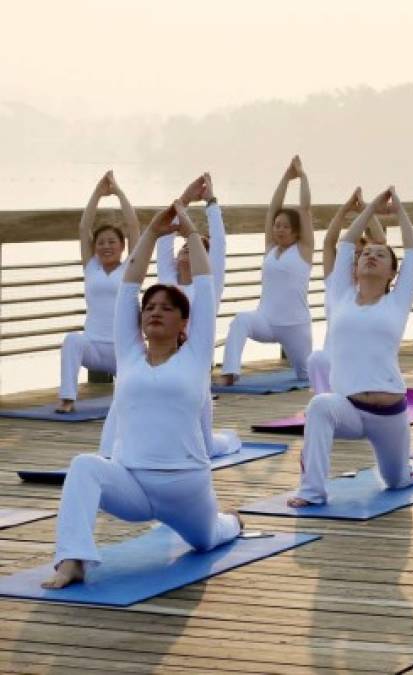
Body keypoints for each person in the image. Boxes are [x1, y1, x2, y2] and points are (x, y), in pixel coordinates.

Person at [43, 201, 242, 589]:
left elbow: (204, 280)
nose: (155, 312)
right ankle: (72, 561)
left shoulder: (196, 354)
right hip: (132, 483)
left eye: (167, 308)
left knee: (211, 538)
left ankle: (232, 521)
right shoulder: (129, 353)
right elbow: (129, 286)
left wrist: (188, 232)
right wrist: (150, 233)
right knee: (84, 466)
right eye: (150, 307)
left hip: (186, 489)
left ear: (185, 322)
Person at [288, 188, 413, 507]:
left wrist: (400, 210)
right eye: (367, 254)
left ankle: (412, 466)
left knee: (396, 482)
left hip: (389, 414)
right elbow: (346, 243)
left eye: (380, 255)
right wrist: (368, 210)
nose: (371, 256)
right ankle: (311, 491)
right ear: (354, 266)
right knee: (321, 405)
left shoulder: (397, 301)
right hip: (349, 409)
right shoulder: (341, 295)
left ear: (393, 272)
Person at [99, 174, 240, 459]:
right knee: (122, 397)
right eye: (184, 248)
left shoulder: (208, 286)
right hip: (152, 363)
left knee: (208, 447)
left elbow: (220, 245)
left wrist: (212, 203)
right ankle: (106, 456)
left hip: (191, 372)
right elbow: (163, 238)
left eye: (193, 248)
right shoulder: (167, 282)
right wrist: (182, 201)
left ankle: (230, 439)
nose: (185, 251)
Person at [218, 156, 314, 385]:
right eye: (277, 226)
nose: (279, 229)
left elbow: (305, 209)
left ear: (296, 231)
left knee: (307, 376)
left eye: (285, 226)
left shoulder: (304, 250)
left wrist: (302, 177)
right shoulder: (270, 248)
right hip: (266, 321)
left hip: (295, 326)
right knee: (240, 320)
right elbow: (272, 209)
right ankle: (230, 373)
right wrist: (285, 178)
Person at [55, 171, 140, 413]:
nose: (106, 246)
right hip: (93, 346)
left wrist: (118, 191)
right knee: (72, 340)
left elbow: (133, 227)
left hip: (122, 351)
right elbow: (84, 227)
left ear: (122, 247)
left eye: (112, 242)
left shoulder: (131, 269)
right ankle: (67, 399)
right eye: (101, 242)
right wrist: (98, 192)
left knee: (132, 400)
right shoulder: (91, 267)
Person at [306, 187, 387, 395]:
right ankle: (325, 402)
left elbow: (380, 241)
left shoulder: (372, 286)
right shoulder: (335, 281)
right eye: (354, 253)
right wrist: (345, 210)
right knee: (316, 358)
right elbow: (328, 243)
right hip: (333, 360)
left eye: (362, 254)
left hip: (362, 361)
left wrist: (367, 210)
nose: (356, 257)